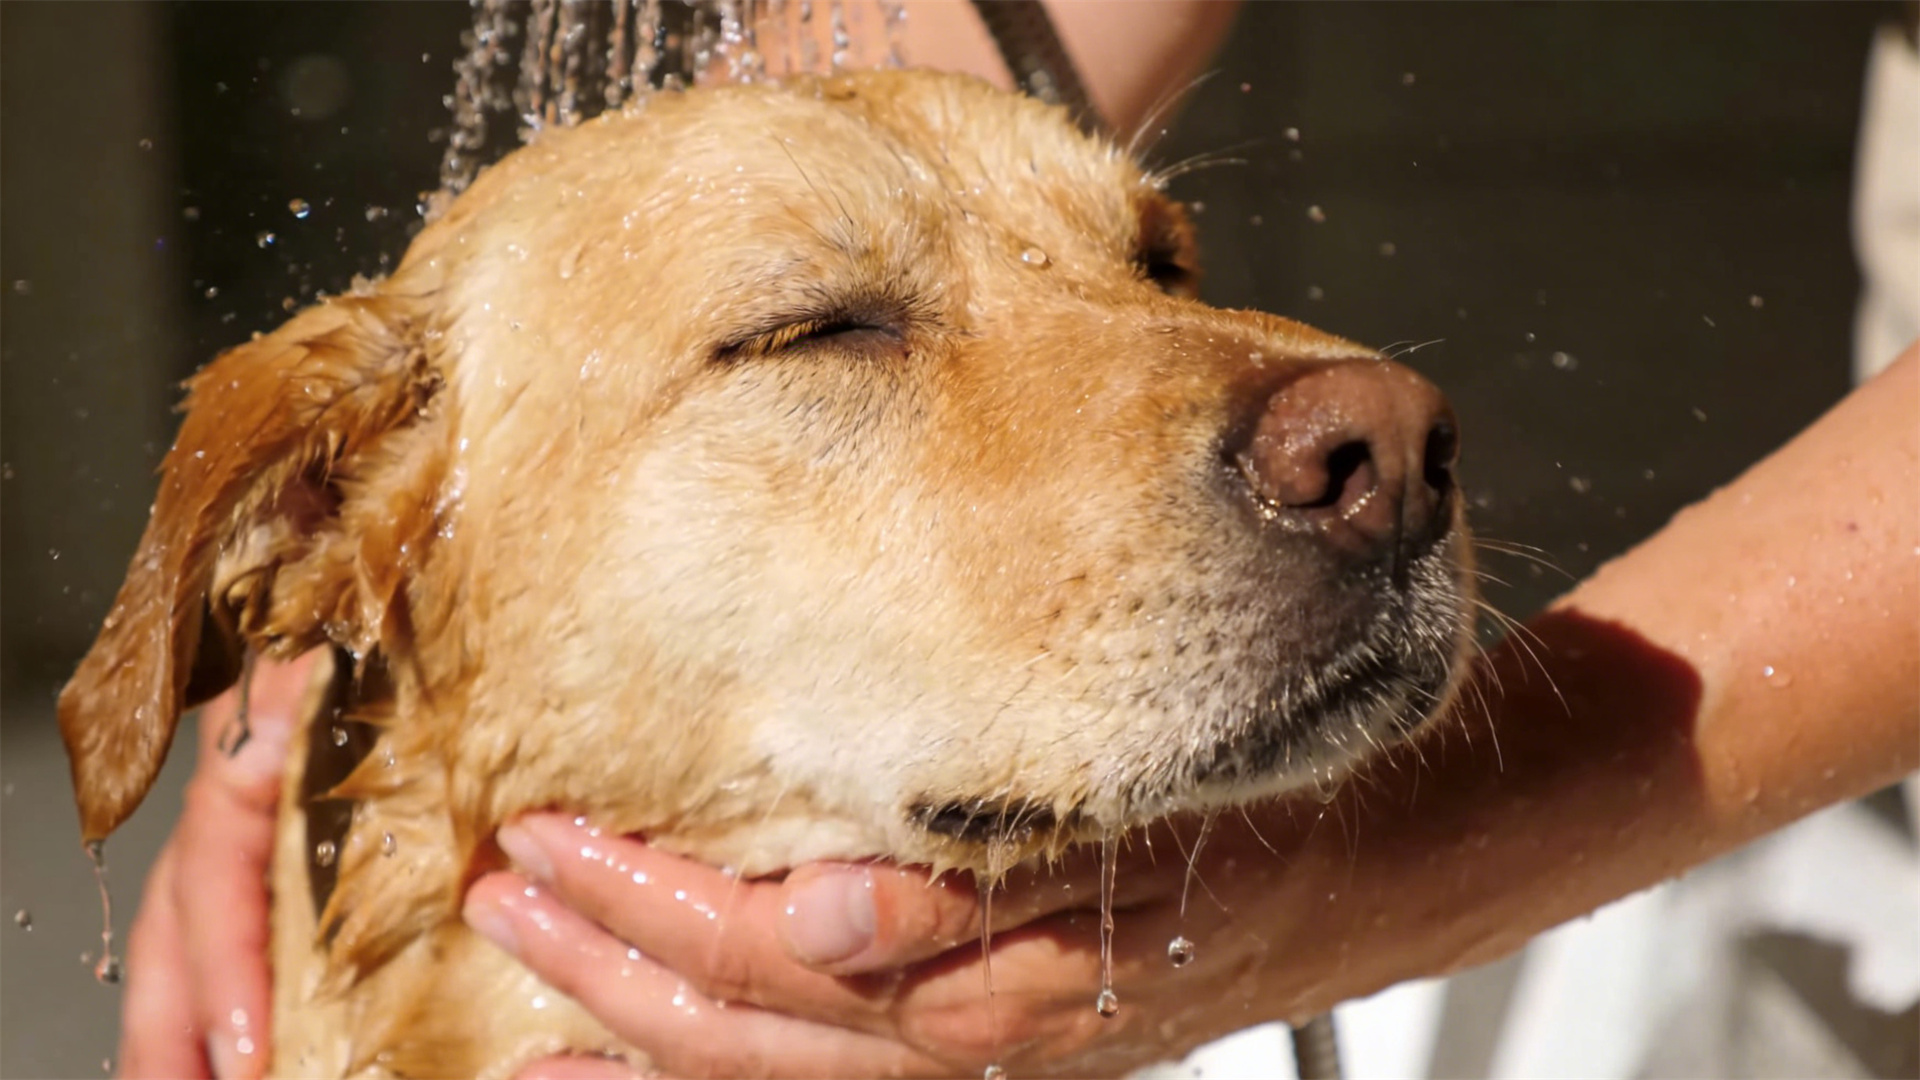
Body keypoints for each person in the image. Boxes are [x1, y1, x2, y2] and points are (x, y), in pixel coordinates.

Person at [115, 3, 1920, 1078]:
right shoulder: (358, 522)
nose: (1314, 407)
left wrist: (1422, 868)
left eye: (1149, 266)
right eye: (824, 331)